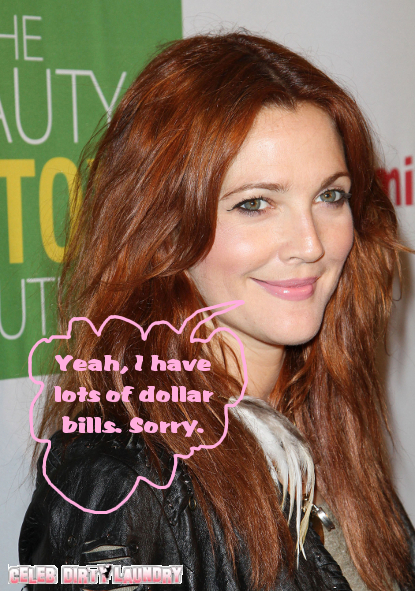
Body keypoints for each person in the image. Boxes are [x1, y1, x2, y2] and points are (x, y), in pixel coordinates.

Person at [19, 32, 415, 591]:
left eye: (331, 196)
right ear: (164, 230)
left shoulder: (324, 423)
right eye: (255, 204)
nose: (310, 244)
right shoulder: (121, 484)